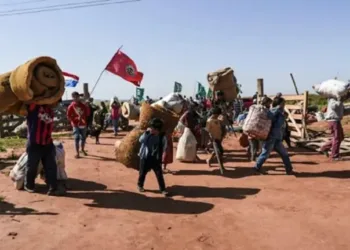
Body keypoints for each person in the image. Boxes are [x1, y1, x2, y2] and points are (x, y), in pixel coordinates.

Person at [25, 102, 63, 196]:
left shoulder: (50, 111)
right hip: (35, 142)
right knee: (32, 165)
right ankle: (29, 185)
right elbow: (32, 99)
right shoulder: (34, 107)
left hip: (47, 142)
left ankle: (52, 188)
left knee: (51, 166)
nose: (56, 103)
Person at [253, 96, 294, 175]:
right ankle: (256, 168)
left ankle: (289, 170)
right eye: (283, 103)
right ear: (279, 104)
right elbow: (271, 117)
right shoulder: (275, 110)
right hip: (271, 137)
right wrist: (280, 111)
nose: (284, 104)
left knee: (284, 154)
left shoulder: (280, 111)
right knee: (265, 154)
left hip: (277, 137)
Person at [137, 118, 168, 196]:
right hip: (145, 157)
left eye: (154, 129)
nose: (152, 130)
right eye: (151, 128)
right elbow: (141, 140)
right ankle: (140, 185)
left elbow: (164, 146)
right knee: (142, 173)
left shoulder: (162, 137)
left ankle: (163, 189)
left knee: (159, 174)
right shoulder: (147, 134)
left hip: (156, 158)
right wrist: (146, 133)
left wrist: (159, 154)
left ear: (158, 129)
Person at [319, 96, 345, 160]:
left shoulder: (338, 100)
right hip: (333, 121)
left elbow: (343, 110)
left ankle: (324, 148)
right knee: (337, 138)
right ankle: (334, 156)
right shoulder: (333, 99)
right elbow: (334, 106)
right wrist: (340, 100)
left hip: (336, 120)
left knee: (340, 137)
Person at [248, 96, 272, 162]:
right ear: (266, 103)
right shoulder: (264, 110)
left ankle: (254, 158)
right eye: (269, 103)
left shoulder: (255, 108)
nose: (269, 105)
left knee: (254, 146)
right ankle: (254, 160)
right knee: (257, 147)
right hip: (258, 131)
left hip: (254, 131)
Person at [67, 92, 90, 158]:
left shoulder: (83, 106)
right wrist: (76, 118)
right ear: (72, 97)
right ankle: (77, 153)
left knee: (83, 138)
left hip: (83, 124)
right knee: (76, 138)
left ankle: (82, 149)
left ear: (78, 97)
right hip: (75, 124)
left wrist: (87, 107)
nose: (75, 98)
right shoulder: (71, 106)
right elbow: (68, 116)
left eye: (77, 97)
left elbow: (87, 114)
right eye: (74, 97)